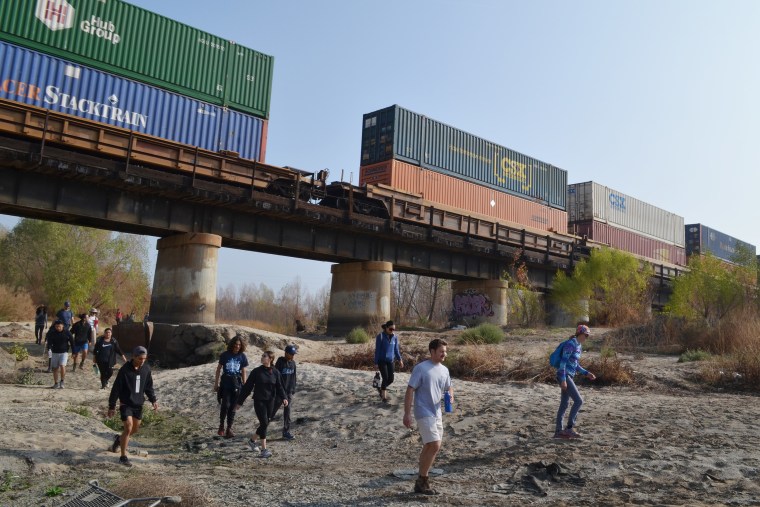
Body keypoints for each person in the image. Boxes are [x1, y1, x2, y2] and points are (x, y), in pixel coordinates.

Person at [403, 338, 452, 496]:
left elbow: (449, 388)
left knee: (430, 446)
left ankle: (420, 482)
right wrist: (407, 413)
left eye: (445, 351)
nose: (444, 354)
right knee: (435, 445)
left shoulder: (444, 370)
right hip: (423, 411)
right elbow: (410, 390)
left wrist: (450, 397)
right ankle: (423, 481)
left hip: (436, 412)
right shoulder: (421, 368)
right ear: (432, 352)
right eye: (441, 351)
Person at [107, 346, 158, 467]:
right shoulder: (124, 370)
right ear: (134, 357)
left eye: (144, 358)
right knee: (128, 428)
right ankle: (123, 457)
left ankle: (119, 440)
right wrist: (112, 406)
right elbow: (116, 389)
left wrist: (153, 400)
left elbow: (148, 387)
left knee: (134, 430)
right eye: (140, 358)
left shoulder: (146, 368)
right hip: (126, 403)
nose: (142, 361)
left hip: (138, 404)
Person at [235, 351, 288, 459]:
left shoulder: (275, 372)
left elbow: (280, 387)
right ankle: (264, 450)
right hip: (259, 400)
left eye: (264, 356)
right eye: (262, 355)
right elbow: (247, 388)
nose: (262, 357)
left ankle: (252, 441)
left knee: (265, 423)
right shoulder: (256, 372)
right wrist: (239, 402)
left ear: (270, 359)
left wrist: (284, 398)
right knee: (264, 423)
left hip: (271, 401)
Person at [554, 324, 596, 440]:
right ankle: (569, 428)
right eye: (585, 335)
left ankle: (558, 432)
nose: (586, 337)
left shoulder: (578, 346)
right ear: (579, 333)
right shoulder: (570, 344)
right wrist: (563, 380)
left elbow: (575, 364)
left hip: (569, 376)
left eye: (587, 336)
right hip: (564, 375)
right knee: (578, 401)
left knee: (564, 404)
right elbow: (563, 363)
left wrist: (586, 373)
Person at [214, 337, 249, 438]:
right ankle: (221, 425)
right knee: (225, 405)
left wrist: (245, 384)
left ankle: (229, 428)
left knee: (233, 407)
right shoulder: (225, 355)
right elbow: (218, 369)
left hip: (237, 384)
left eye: (239, 345)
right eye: (236, 344)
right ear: (232, 344)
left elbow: (243, 371)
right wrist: (216, 384)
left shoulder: (242, 356)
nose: (237, 346)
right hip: (226, 383)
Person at [270, 344, 297, 440]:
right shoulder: (280, 362)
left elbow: (294, 377)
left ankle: (286, 431)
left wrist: (293, 389)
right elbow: (275, 376)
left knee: (288, 411)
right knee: (272, 411)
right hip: (280, 391)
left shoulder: (293, 363)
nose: (293, 356)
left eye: (294, 354)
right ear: (286, 353)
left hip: (289, 391)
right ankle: (262, 428)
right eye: (291, 354)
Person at [374, 320, 404, 403]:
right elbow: (377, 350)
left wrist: (400, 359)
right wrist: (376, 362)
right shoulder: (380, 337)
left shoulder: (395, 337)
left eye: (394, 329)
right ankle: (384, 397)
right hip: (382, 361)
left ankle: (381, 388)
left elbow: (396, 350)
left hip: (391, 360)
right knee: (385, 378)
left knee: (391, 379)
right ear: (386, 328)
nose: (392, 331)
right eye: (391, 329)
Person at [45, 320, 74, 389]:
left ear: (62, 326)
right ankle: (56, 383)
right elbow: (49, 343)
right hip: (54, 352)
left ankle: (62, 381)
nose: (58, 328)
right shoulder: (52, 333)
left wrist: (74, 352)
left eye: (59, 326)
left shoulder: (67, 332)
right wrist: (49, 349)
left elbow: (72, 342)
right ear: (55, 326)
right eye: (56, 326)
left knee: (62, 365)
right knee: (55, 368)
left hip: (64, 352)